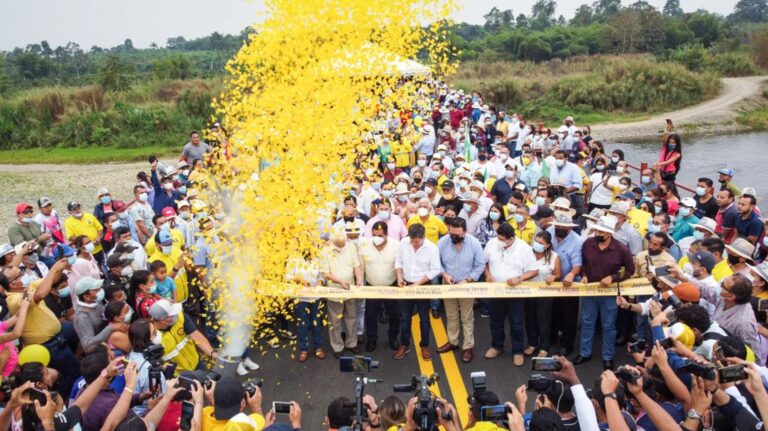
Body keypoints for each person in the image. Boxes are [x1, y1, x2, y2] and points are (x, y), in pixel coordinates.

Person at [575, 215, 634, 370]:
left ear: (609, 233)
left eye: (601, 231)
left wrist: (613, 277)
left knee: (608, 325)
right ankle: (584, 352)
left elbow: (629, 271)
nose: (597, 233)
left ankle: (608, 356)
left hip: (609, 293)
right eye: (596, 230)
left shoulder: (622, 249)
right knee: (587, 322)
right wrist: (584, 275)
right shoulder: (588, 244)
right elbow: (584, 264)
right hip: (590, 292)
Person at [483, 222, 538, 366]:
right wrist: (488, 274)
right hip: (496, 290)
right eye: (498, 238)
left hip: (515, 292)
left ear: (511, 238)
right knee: (495, 320)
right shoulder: (492, 243)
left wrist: (519, 278)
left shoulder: (524, 249)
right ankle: (496, 346)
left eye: (502, 240)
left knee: (516, 322)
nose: (499, 242)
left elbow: (533, 270)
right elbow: (483, 262)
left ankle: (517, 351)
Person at [436, 217, 486, 363]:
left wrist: (468, 280)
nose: (453, 237)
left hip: (466, 285)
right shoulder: (443, 242)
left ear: (465, 232)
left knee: (467, 317)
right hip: (448, 284)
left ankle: (468, 346)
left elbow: (480, 265)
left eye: (457, 235)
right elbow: (436, 262)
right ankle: (453, 341)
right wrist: (444, 274)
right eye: (451, 234)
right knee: (451, 314)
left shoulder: (474, 243)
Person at [394, 224, 441, 361]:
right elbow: (398, 260)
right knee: (404, 318)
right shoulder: (403, 243)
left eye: (417, 241)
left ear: (423, 237)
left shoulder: (432, 248)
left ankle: (424, 345)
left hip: (422, 286)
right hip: (406, 284)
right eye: (412, 240)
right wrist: (399, 276)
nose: (414, 244)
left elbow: (435, 270)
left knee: (424, 319)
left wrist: (417, 284)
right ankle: (404, 345)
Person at [319, 228, 363, 357]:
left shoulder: (350, 247)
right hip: (335, 290)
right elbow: (325, 273)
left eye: (343, 243)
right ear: (332, 241)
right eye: (339, 244)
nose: (342, 245)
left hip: (350, 288)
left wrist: (359, 278)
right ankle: (337, 346)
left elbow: (356, 265)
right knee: (335, 320)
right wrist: (340, 282)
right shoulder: (325, 251)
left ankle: (352, 343)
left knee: (351, 317)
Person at [358, 222, 400, 353]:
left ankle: (393, 337)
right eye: (374, 235)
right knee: (370, 315)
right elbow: (360, 266)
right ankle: (372, 339)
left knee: (394, 315)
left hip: (390, 286)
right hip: (372, 286)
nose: (377, 238)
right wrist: (360, 281)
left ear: (386, 234)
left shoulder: (396, 246)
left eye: (380, 235)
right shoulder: (364, 245)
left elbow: (399, 264)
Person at [149, 299, 217, 374]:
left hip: (197, 364)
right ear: (163, 320)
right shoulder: (152, 336)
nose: (176, 314)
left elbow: (196, 336)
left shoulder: (181, 318)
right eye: (172, 314)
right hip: (178, 376)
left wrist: (212, 353)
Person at [524, 230, 561, 358]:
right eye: (536, 241)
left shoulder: (554, 257)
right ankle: (532, 344)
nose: (537, 244)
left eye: (541, 243)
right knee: (530, 319)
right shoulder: (527, 253)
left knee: (543, 320)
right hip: (528, 292)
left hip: (545, 293)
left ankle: (544, 348)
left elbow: (558, 273)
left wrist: (554, 277)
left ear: (547, 245)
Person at [73, 277, 120, 353]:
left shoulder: (96, 301)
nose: (101, 290)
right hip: (102, 350)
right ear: (86, 296)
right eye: (96, 290)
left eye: (100, 288)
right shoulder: (82, 316)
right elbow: (88, 346)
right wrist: (110, 328)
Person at [201, 378, 266, 430]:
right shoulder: (242, 424)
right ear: (242, 403)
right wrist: (256, 407)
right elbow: (264, 427)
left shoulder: (203, 413)